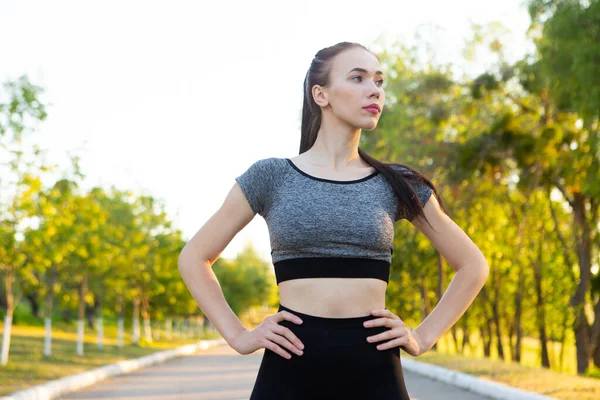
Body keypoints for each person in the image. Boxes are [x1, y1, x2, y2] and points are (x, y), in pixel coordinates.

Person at [178, 41, 489, 400]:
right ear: (320, 94)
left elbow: (472, 265)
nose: (374, 89)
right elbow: (194, 257)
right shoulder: (271, 176)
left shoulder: (398, 184)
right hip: (289, 366)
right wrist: (239, 336)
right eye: (357, 78)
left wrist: (421, 336)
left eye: (379, 81)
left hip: (375, 372)